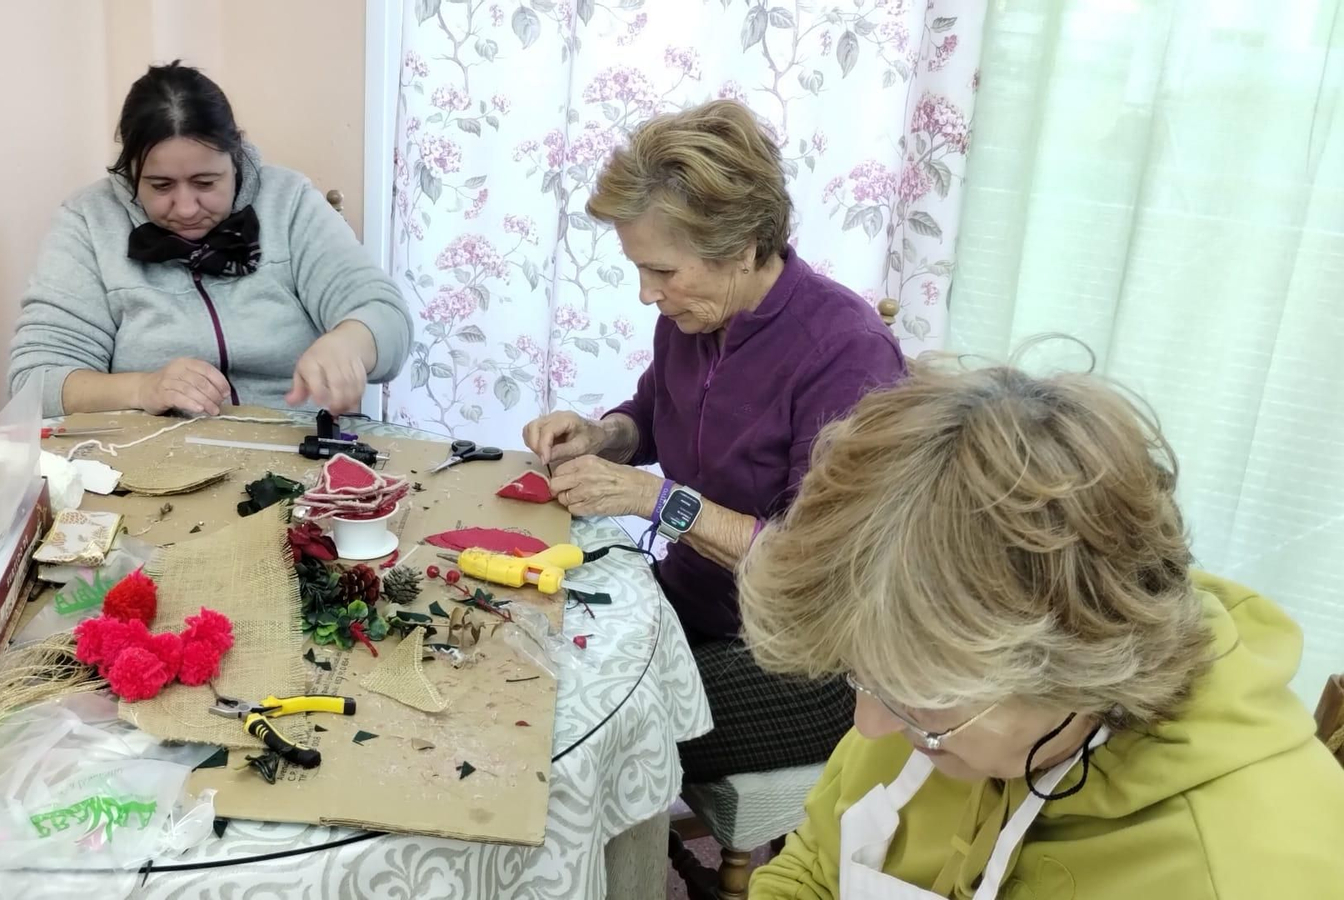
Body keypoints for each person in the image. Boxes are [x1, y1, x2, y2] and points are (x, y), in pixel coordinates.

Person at [741, 353, 1344, 899]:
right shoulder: (926, 706)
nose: (867, 728)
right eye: (861, 679)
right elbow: (815, 870)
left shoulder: (1244, 871)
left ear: (1079, 670)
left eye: (919, 701)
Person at [520, 100, 906, 781]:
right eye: (639, 269)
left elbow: (810, 567)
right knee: (520, 664)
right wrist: (599, 435)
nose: (647, 294)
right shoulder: (696, 317)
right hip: (692, 603)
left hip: (803, 661)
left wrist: (655, 498)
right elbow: (651, 410)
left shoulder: (845, 353)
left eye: (663, 272)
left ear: (743, 246)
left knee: (584, 741)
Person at [9, 62, 411, 418]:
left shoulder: (289, 202)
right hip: (147, 463)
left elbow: (385, 315)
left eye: (205, 182)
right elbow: (36, 381)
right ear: (130, 171)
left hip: (293, 448)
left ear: (235, 159)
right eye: (160, 185)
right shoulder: (88, 220)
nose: (185, 208)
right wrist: (142, 388)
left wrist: (350, 343)